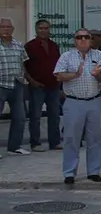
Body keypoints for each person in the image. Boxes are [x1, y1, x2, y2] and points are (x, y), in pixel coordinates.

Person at [54, 28, 101, 184]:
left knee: (96, 138)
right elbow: (58, 75)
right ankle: (69, 173)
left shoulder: (98, 55)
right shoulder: (66, 56)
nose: (83, 40)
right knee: (71, 138)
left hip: (94, 101)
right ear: (75, 40)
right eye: (79, 37)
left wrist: (97, 74)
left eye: (86, 37)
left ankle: (94, 171)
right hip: (74, 102)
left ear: (91, 39)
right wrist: (74, 75)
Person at [25, 19, 61, 152]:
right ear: (36, 30)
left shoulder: (54, 46)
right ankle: (35, 143)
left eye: (46, 28)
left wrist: (60, 81)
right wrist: (32, 81)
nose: (44, 31)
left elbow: (59, 64)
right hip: (37, 86)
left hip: (53, 85)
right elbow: (24, 67)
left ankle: (55, 142)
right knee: (35, 116)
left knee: (55, 115)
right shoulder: (29, 46)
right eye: (41, 28)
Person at [0, 17, 31, 156]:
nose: (6, 29)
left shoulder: (18, 45)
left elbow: (23, 63)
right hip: (0, 84)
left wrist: (25, 79)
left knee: (20, 117)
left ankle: (15, 146)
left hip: (17, 84)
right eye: (3, 27)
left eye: (8, 27)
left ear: (12, 29)